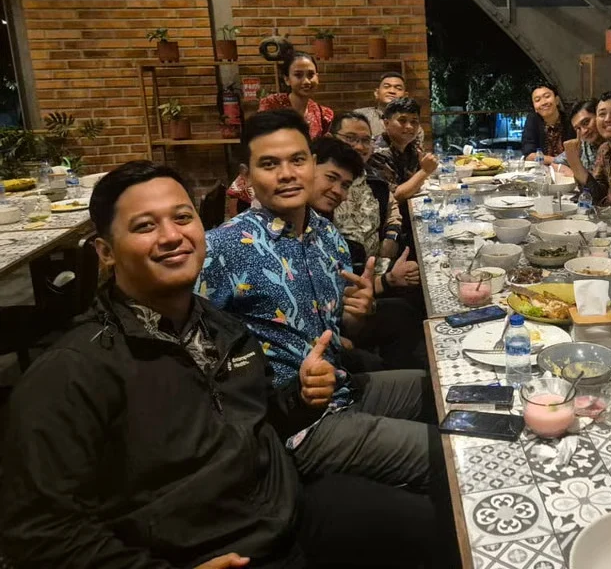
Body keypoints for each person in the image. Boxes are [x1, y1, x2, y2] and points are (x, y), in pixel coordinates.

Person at [0, 160, 441, 569]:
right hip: (205, 551)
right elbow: (38, 535)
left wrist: (303, 397)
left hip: (285, 511)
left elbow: (259, 418)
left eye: (182, 217)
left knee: (443, 522)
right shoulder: (71, 372)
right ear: (106, 252)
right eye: (145, 226)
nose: (171, 236)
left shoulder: (221, 325)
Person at [197, 110, 442, 493]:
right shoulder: (221, 249)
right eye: (269, 164)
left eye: (297, 160)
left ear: (311, 163)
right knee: (450, 455)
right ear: (247, 176)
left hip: (342, 388)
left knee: (446, 390)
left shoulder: (327, 236)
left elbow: (344, 329)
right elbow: (194, 362)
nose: (287, 174)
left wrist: (360, 310)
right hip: (296, 427)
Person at [307, 136, 425, 370]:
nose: (338, 191)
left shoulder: (325, 229)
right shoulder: (262, 232)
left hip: (336, 322)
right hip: (313, 352)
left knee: (407, 309)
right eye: (331, 178)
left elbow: (348, 295)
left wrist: (385, 281)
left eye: (345, 185)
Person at [227, 51, 335, 209]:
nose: (306, 81)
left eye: (311, 75)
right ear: (287, 79)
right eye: (298, 75)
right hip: (267, 179)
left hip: (297, 182)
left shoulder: (324, 114)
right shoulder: (272, 104)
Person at [330, 111, 405, 273]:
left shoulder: (375, 181)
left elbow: (393, 211)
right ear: (330, 139)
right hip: (338, 274)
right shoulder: (321, 185)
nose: (359, 146)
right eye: (350, 138)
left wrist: (392, 235)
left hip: (377, 269)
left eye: (365, 140)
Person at [368, 97, 438, 205]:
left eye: (414, 121)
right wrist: (425, 171)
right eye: (402, 120)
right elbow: (394, 197)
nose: (409, 126)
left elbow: (413, 182)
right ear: (386, 123)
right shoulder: (377, 152)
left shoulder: (412, 146)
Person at [353, 72, 424, 144]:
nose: (392, 91)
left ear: (405, 96)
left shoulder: (413, 128)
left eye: (398, 88)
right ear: (377, 93)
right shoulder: (359, 116)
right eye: (386, 87)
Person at [520, 82, 575, 164]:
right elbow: (528, 154)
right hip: (541, 169)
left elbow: (577, 150)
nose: (543, 102)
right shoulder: (532, 120)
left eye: (547, 96)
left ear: (557, 100)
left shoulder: (570, 119)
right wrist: (556, 161)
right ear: (534, 107)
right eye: (537, 100)